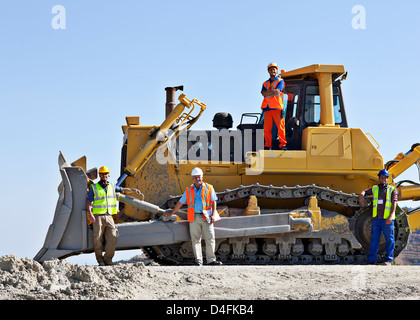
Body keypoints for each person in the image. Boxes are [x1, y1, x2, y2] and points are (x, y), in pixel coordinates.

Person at [165, 167, 222, 266]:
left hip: (206, 217)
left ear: (202, 177)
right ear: (192, 178)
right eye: (195, 177)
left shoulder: (209, 187)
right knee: (196, 240)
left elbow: (213, 202)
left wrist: (213, 214)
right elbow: (180, 203)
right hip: (194, 217)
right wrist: (172, 213)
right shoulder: (188, 190)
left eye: (199, 177)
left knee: (210, 238)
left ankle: (211, 260)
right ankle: (198, 261)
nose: (197, 179)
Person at [86, 165, 142, 266]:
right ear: (99, 175)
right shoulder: (94, 187)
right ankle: (100, 260)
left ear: (108, 175)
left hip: (109, 217)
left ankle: (108, 259)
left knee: (113, 236)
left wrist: (133, 190)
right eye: (102, 174)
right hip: (98, 216)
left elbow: (123, 190)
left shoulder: (112, 186)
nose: (104, 176)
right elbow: (88, 201)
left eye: (106, 174)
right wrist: (90, 213)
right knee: (97, 239)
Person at [359, 169, 398, 265]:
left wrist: (390, 216)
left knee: (389, 240)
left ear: (387, 179)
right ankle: (371, 260)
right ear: (379, 178)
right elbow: (365, 191)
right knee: (374, 240)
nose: (383, 179)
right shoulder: (375, 188)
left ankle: (388, 260)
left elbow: (394, 204)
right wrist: (361, 195)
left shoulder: (392, 190)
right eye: (381, 177)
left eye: (385, 177)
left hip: (387, 220)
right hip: (376, 220)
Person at [261, 62, 287, 150]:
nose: (273, 71)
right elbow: (263, 93)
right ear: (268, 71)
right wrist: (272, 91)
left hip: (277, 107)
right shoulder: (265, 83)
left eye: (274, 69)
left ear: (276, 71)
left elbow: (277, 91)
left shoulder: (280, 81)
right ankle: (267, 145)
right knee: (267, 129)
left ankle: (282, 144)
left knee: (280, 127)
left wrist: (268, 92)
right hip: (267, 108)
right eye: (271, 69)